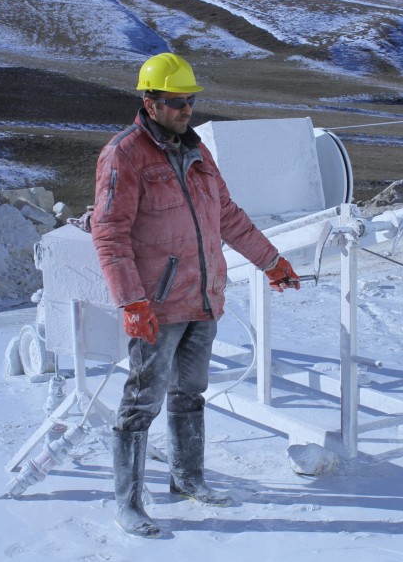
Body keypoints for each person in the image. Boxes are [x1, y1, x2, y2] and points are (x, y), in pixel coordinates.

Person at [90, 52, 301, 538]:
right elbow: (110, 233)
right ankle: (129, 503)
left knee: (190, 394)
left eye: (191, 101)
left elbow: (227, 216)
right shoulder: (124, 154)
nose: (187, 109)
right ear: (150, 102)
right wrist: (131, 301)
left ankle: (187, 480)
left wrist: (271, 261)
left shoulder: (198, 151)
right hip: (156, 306)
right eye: (177, 102)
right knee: (141, 402)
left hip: (203, 299)